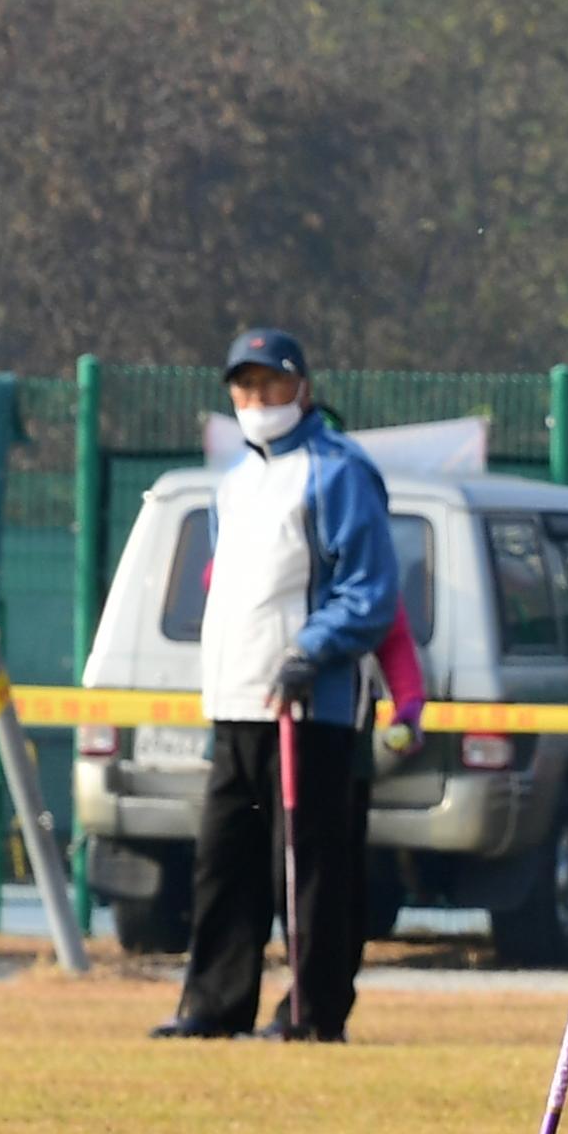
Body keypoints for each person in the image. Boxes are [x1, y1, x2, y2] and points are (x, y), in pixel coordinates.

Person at [152, 329, 399, 1043]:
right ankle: (214, 1003)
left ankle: (312, 1011)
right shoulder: (234, 482)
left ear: (303, 387)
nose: (255, 399)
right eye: (244, 386)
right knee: (224, 861)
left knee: (312, 866)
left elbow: (369, 588)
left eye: (269, 384)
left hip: (310, 707)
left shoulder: (339, 471)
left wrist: (311, 652)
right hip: (238, 703)